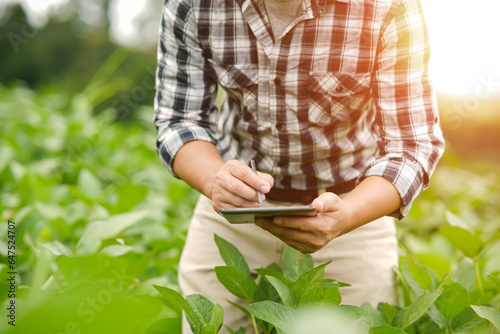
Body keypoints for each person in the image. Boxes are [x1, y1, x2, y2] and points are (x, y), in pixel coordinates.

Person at [154, 0, 445, 331]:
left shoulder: (388, 8)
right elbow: (179, 119)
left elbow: (412, 144)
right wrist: (214, 182)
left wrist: (348, 214)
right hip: (232, 211)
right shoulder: (192, 5)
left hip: (352, 212)